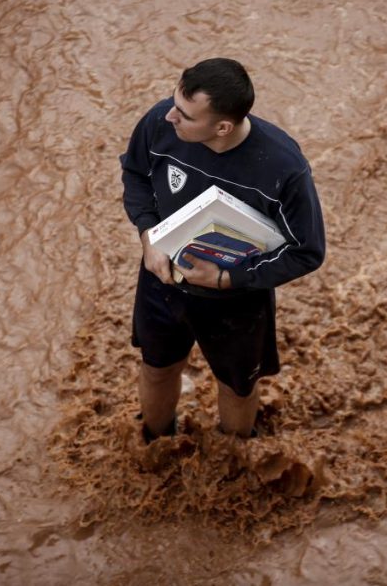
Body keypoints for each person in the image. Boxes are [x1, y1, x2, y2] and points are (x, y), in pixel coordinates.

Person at [120, 57, 325, 441]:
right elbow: (135, 173)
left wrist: (228, 277)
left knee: (237, 385)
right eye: (174, 103)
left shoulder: (284, 167)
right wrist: (148, 237)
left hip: (238, 301)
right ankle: (154, 440)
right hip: (161, 277)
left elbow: (306, 250)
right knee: (157, 368)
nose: (170, 117)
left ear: (222, 126)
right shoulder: (159, 123)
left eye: (184, 114)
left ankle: (232, 458)